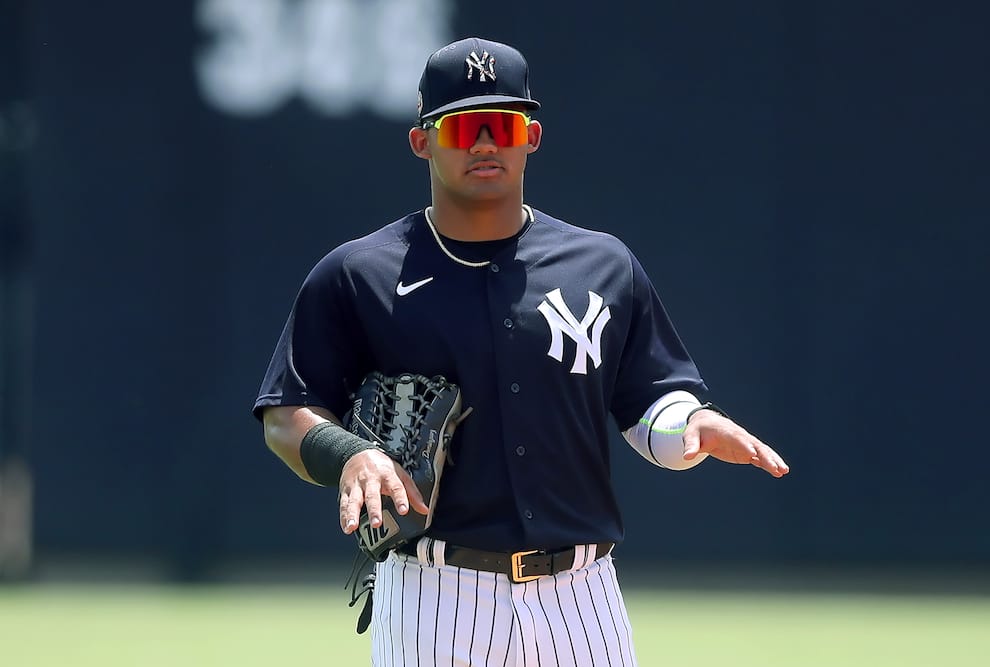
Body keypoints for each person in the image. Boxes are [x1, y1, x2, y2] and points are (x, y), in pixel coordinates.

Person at [253, 36, 789, 666]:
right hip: (434, 594)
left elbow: (649, 407)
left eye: (503, 125)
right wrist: (348, 455)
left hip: (583, 597)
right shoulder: (359, 274)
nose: (485, 143)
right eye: (463, 127)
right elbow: (286, 413)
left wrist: (692, 424)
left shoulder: (602, 265)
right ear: (421, 142)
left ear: (531, 136)